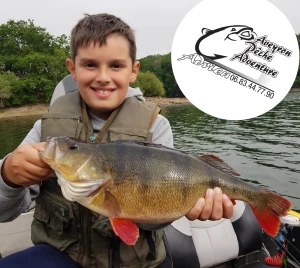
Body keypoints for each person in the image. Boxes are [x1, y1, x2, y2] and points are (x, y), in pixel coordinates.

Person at [0, 13, 233, 268]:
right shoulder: (47, 131)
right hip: (62, 255)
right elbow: (5, 211)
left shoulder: (156, 127)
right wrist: (8, 176)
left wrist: (184, 205)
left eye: (116, 66)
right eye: (90, 65)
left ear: (133, 71)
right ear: (72, 69)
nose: (103, 76)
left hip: (136, 261)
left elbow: (151, 219)